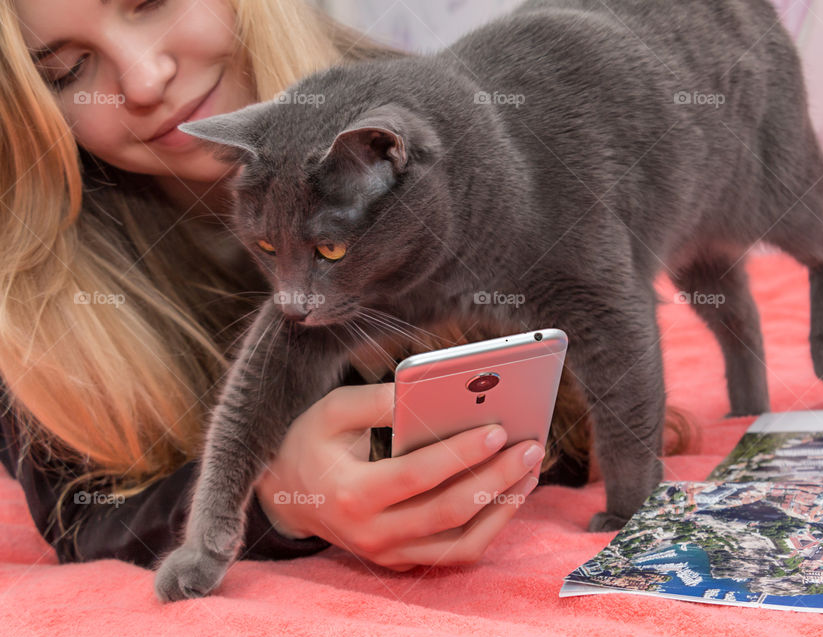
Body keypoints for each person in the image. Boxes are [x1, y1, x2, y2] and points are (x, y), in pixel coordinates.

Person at [0, 0, 593, 574]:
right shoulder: (37, 279)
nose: (145, 78)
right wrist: (278, 495)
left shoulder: (425, 123)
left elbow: (577, 395)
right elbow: (83, 514)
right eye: (68, 71)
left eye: (154, 3)